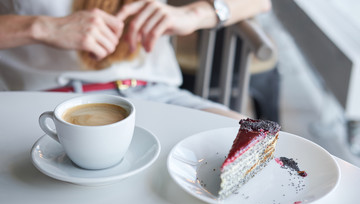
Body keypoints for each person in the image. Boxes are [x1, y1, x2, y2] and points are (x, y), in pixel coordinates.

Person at [0, 0, 271, 119]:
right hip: (36, 100)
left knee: (264, 145)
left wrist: (193, 14)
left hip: (152, 94)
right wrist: (39, 27)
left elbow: (258, 1)